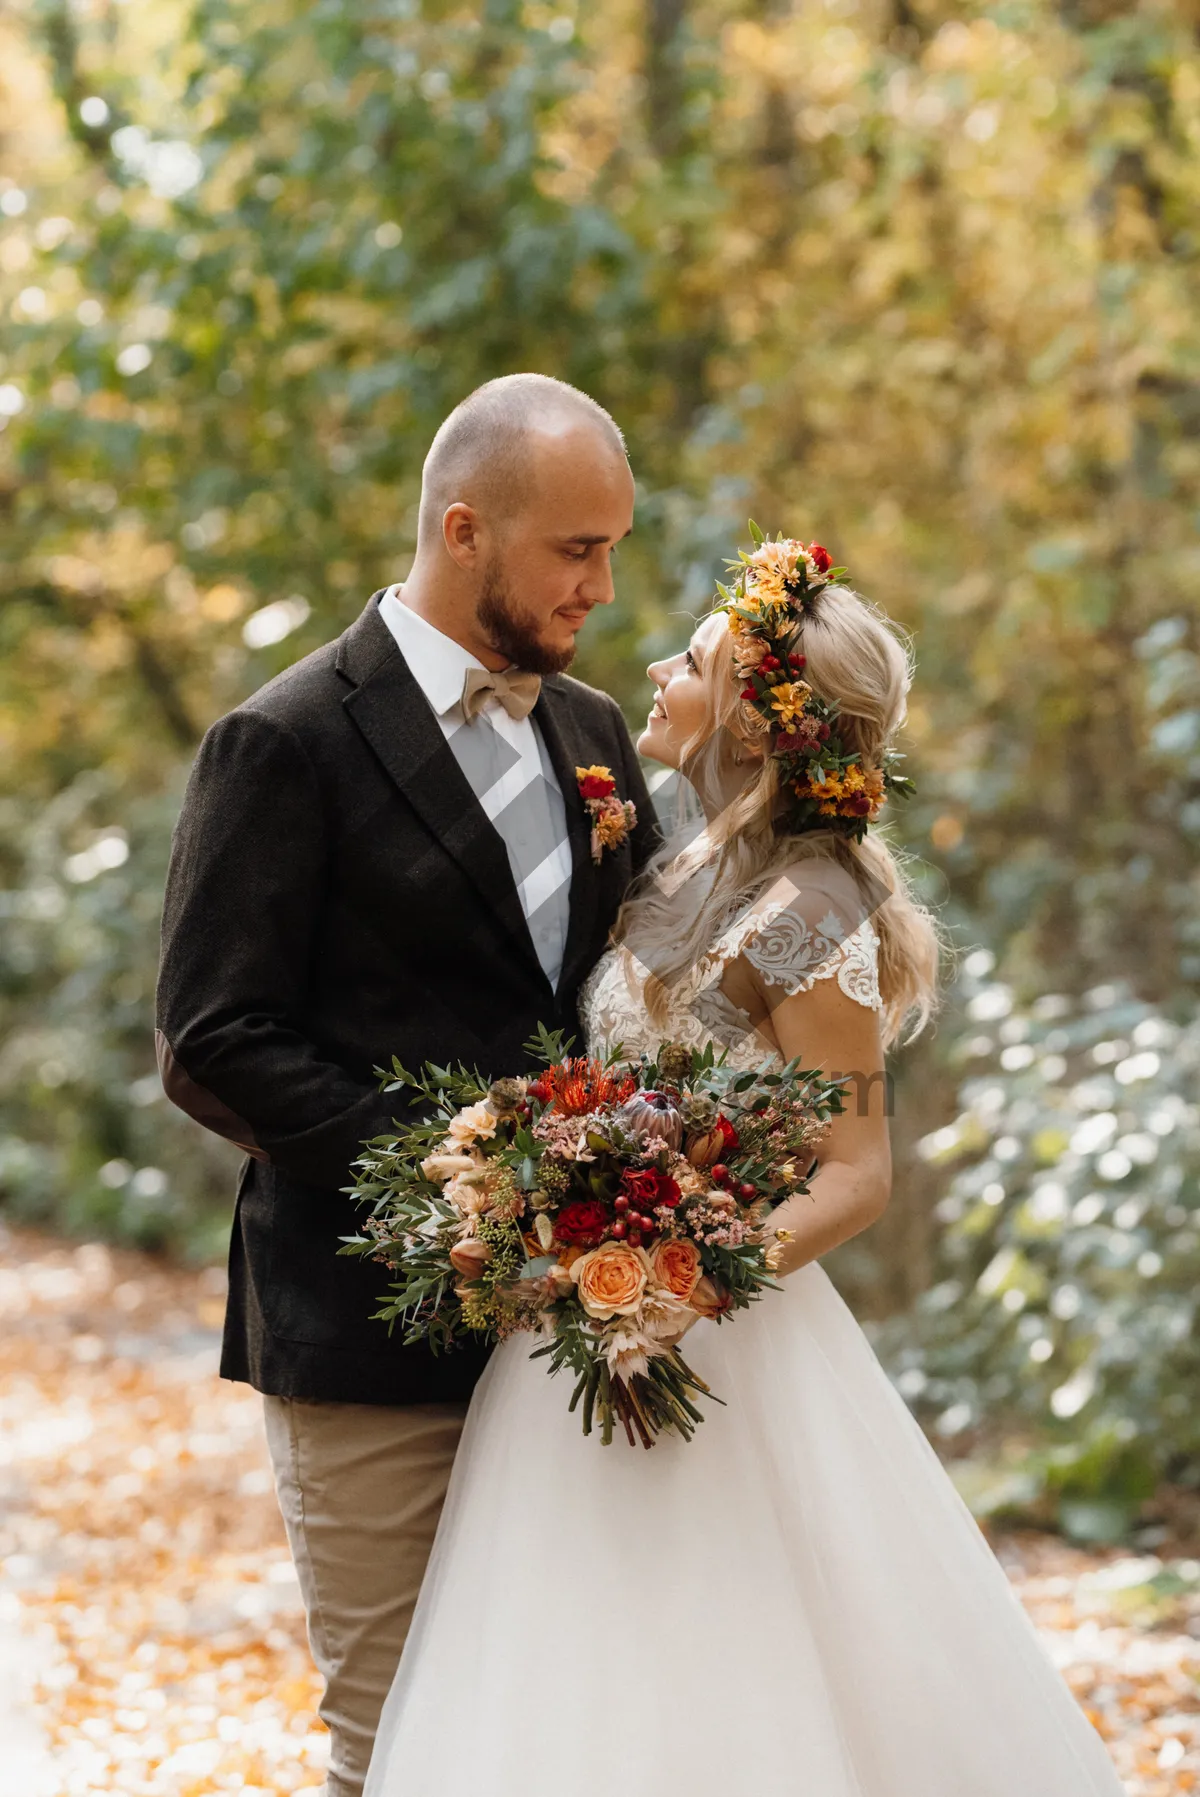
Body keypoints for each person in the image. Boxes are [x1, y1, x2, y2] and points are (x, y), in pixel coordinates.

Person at [362, 545, 1128, 1797]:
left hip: (713, 1337)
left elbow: (857, 1169)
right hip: (587, 1331)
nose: (659, 668)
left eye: (699, 661)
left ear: (764, 725)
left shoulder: (811, 911)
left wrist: (680, 1288)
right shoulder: (685, 863)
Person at [155, 373, 659, 1797]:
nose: (603, 586)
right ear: (463, 531)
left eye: (612, 548)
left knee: (564, 1733)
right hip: (368, 1329)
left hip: (584, 1334)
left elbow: (625, 995)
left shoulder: (599, 736)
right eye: (577, 550)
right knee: (403, 1745)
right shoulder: (285, 742)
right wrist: (466, 1171)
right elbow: (210, 1033)